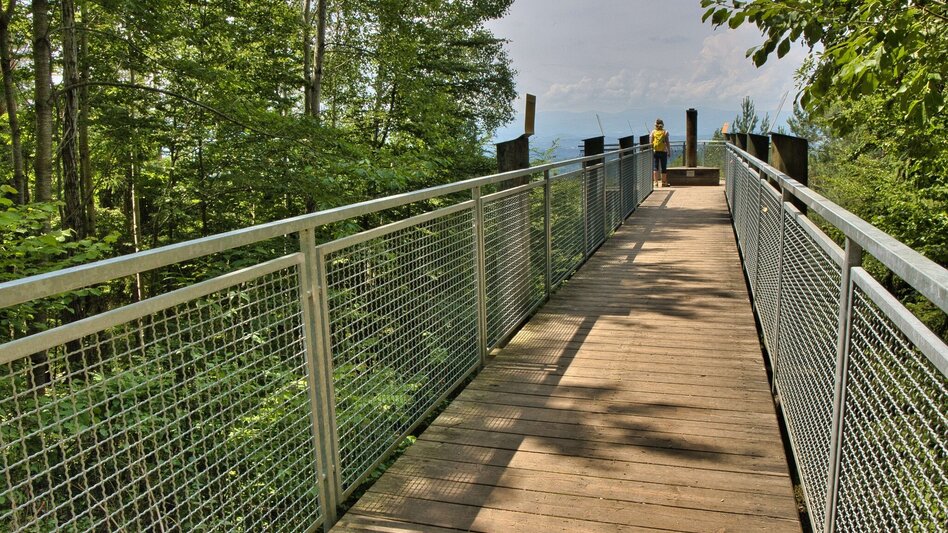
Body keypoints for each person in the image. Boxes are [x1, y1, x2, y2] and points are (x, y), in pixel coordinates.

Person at [650, 119, 671, 187]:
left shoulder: (653, 132)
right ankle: (664, 182)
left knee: (655, 167)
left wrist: (652, 150)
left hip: (655, 151)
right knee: (663, 167)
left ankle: (655, 183)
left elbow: (650, 143)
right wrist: (669, 151)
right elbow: (667, 142)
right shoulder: (665, 132)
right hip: (663, 151)